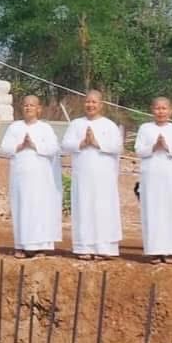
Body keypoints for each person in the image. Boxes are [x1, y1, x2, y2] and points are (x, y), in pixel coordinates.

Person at [61, 90, 123, 260]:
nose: (90, 105)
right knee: (84, 208)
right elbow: (65, 144)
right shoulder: (75, 124)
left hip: (104, 178)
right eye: (88, 102)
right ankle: (84, 247)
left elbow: (117, 147)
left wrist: (96, 143)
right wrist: (82, 142)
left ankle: (105, 248)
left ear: (101, 105)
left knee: (104, 210)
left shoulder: (109, 125)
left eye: (94, 102)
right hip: (82, 177)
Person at [0, 95, 62, 258]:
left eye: (32, 105)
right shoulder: (15, 127)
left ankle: (40, 246)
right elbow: (5, 147)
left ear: (39, 109)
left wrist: (35, 145)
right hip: (20, 177)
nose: (28, 108)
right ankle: (21, 245)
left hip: (40, 178)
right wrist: (20, 145)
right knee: (21, 207)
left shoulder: (45, 128)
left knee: (39, 209)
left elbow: (53, 148)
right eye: (25, 105)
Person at [134, 96, 172, 262]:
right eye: (157, 108)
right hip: (151, 176)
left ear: (171, 110)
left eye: (164, 108)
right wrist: (153, 147)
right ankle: (155, 251)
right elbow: (138, 150)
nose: (161, 112)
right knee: (153, 211)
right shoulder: (145, 128)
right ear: (152, 110)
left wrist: (166, 146)